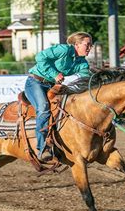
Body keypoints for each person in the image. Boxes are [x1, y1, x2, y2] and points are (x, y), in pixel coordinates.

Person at [25, 32, 92, 162]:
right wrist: (54, 74)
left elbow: (85, 79)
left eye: (91, 45)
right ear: (76, 44)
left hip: (52, 86)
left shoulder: (83, 63)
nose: (89, 48)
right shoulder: (64, 49)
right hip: (35, 82)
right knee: (43, 108)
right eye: (87, 45)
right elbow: (40, 57)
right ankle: (41, 148)